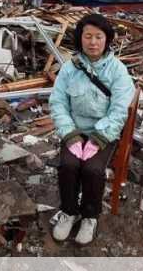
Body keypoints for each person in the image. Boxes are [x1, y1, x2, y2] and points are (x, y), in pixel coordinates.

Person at [49, 13, 135, 245]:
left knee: (93, 170)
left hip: (104, 133)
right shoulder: (69, 68)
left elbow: (119, 109)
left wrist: (99, 138)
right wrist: (69, 133)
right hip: (75, 130)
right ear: (81, 39)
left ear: (107, 39)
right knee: (68, 165)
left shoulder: (117, 70)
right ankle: (69, 211)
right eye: (88, 36)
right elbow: (58, 102)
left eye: (99, 36)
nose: (93, 42)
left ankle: (89, 216)